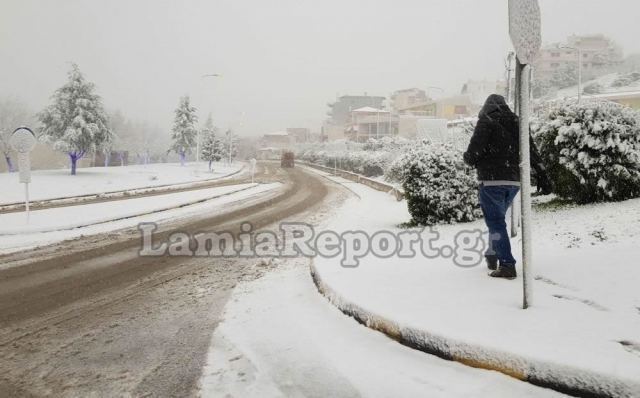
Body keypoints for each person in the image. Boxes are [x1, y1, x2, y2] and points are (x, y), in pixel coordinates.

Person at [463, 94, 552, 280]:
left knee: (495, 222)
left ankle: (507, 265)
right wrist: (542, 174)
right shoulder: (518, 122)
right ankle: (492, 254)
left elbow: (474, 153)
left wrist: (469, 158)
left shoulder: (486, 121)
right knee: (497, 220)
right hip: (514, 181)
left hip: (491, 180)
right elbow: (531, 150)